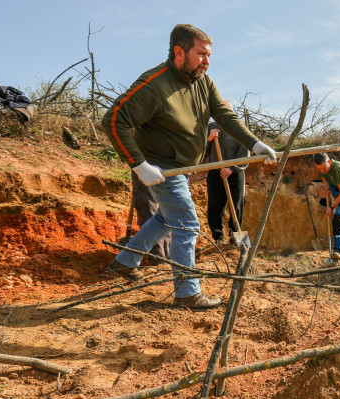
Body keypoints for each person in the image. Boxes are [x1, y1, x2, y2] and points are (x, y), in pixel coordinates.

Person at [101, 24, 277, 311]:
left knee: (168, 219)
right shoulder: (155, 84)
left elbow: (225, 115)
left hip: (178, 166)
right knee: (187, 223)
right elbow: (113, 121)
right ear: (179, 52)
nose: (207, 61)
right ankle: (187, 292)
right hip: (159, 166)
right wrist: (139, 165)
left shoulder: (203, 81)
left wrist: (255, 143)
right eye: (201, 54)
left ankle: (125, 262)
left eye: (209, 55)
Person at [204, 100, 248, 245]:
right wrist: (208, 139)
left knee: (237, 205)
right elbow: (198, 150)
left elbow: (245, 150)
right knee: (215, 206)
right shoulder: (210, 127)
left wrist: (232, 168)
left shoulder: (239, 127)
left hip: (235, 172)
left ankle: (236, 238)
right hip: (216, 172)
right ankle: (218, 238)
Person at [130, 171, 171, 264]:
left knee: (153, 212)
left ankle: (161, 260)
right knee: (164, 212)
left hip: (148, 167)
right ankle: (165, 259)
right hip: (155, 166)